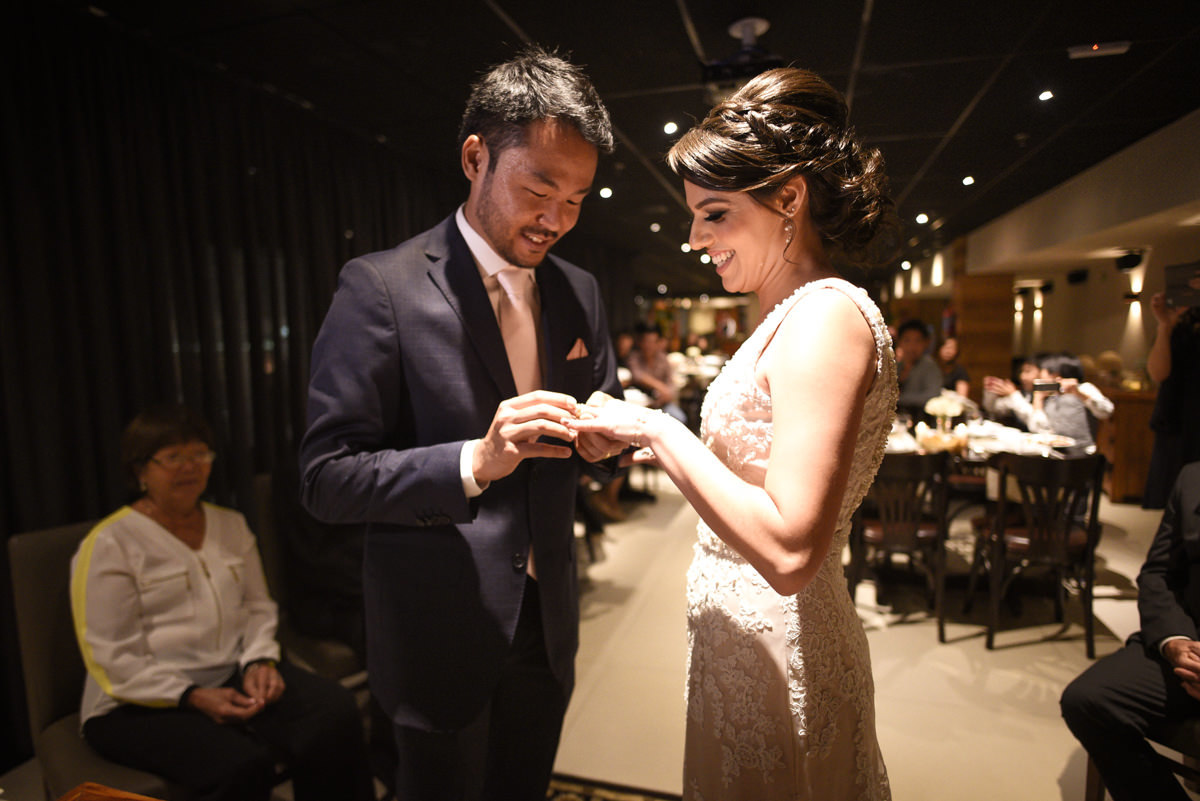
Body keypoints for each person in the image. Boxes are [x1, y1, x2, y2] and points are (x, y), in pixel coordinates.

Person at [298, 46, 624, 800]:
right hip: (437, 630)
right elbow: (324, 478)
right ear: (475, 157)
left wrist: (607, 444)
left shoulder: (578, 290)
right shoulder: (381, 288)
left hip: (548, 625)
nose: (556, 220)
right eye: (539, 187)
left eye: (577, 200)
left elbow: (596, 414)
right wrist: (474, 459)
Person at [566, 67, 897, 799]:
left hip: (787, 640)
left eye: (714, 214)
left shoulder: (825, 318)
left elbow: (789, 547)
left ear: (788, 199)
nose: (693, 237)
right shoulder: (785, 315)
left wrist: (655, 427)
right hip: (743, 642)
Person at [71, 405, 372, 801]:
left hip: (231, 673)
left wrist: (259, 661)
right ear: (140, 471)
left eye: (199, 454)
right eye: (173, 458)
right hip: (137, 700)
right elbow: (111, 656)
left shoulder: (229, 524)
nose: (189, 467)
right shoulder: (110, 544)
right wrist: (190, 695)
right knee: (242, 764)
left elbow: (259, 608)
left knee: (334, 713)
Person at [1060, 461, 1200, 801]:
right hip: (1191, 643)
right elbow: (1158, 574)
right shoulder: (1193, 477)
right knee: (1087, 699)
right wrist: (1176, 642)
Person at [1143, 289, 1200, 508]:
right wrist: (1164, 325)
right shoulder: (1180, 327)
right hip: (1176, 418)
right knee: (1174, 503)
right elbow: (1159, 374)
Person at [626, 322, 687, 424]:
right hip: (640, 404)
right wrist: (659, 386)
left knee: (680, 418)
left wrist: (666, 394)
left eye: (652, 342)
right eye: (646, 341)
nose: (648, 345)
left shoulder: (662, 358)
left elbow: (670, 384)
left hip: (661, 403)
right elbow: (637, 375)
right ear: (640, 342)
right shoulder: (634, 357)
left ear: (657, 343)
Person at [894, 318, 942, 418]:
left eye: (918, 341)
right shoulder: (896, 366)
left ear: (926, 343)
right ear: (899, 342)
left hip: (922, 421)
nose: (912, 346)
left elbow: (932, 395)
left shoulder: (929, 366)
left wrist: (898, 399)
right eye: (907, 340)